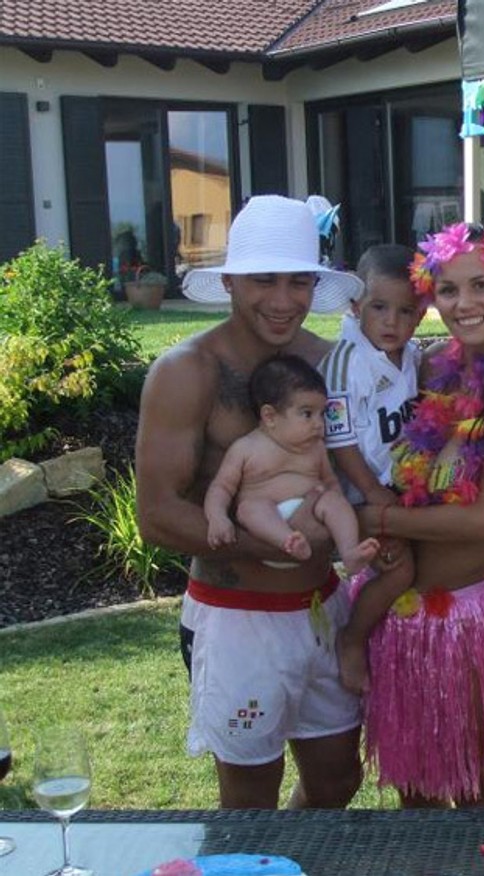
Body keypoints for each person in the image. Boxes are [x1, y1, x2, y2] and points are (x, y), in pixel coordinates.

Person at [135, 194, 367, 810]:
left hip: (321, 609)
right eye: (264, 280)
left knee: (338, 781)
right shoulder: (188, 371)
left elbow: (365, 472)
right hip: (235, 616)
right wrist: (271, 541)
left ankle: (294, 856)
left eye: (299, 282)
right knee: (248, 801)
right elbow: (156, 513)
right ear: (230, 282)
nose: (283, 300)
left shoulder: (329, 363)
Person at [353, 221, 484, 808]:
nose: (464, 303)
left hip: (468, 618)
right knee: (414, 795)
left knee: (477, 792)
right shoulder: (428, 364)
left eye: (481, 286)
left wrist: (376, 521)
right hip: (398, 613)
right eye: (447, 290)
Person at [318, 244, 422, 694]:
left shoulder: (412, 356)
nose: (391, 321)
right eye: (379, 307)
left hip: (398, 488)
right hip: (361, 493)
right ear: (355, 305)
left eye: (405, 311)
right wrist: (373, 493)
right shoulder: (346, 361)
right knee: (400, 570)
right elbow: (339, 438)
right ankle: (352, 640)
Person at [204, 354, 380, 574]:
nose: (318, 424)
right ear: (270, 416)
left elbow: (330, 481)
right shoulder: (246, 448)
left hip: (314, 515)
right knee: (248, 509)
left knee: (334, 501)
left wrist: (335, 501)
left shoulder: (316, 448)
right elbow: (222, 487)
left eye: (322, 414)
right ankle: (288, 540)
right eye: (307, 414)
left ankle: (349, 552)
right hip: (267, 527)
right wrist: (217, 517)